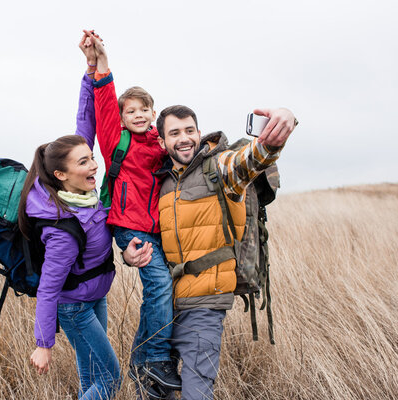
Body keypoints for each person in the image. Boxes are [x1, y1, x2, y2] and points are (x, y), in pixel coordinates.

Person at [18, 33, 153, 400]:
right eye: (85, 161)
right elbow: (48, 289)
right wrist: (44, 343)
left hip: (96, 295)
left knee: (91, 380)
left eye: (91, 157)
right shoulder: (63, 228)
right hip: (75, 307)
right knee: (110, 381)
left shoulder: (83, 189)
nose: (94, 163)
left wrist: (91, 70)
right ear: (61, 174)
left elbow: (86, 120)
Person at [154, 105, 297, 400]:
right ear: (162, 141)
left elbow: (252, 159)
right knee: (153, 388)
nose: (184, 139)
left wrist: (274, 137)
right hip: (163, 307)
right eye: (175, 133)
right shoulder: (162, 182)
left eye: (190, 131)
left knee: (197, 391)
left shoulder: (219, 168)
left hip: (205, 305)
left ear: (198, 132)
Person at [85, 31, 182, 395]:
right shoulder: (116, 142)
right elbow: (105, 105)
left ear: (153, 114)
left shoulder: (159, 147)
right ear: (123, 118)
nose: (138, 115)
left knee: (162, 290)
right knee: (159, 285)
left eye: (144, 110)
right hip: (129, 227)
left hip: (158, 230)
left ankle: (143, 363)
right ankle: (155, 357)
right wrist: (102, 65)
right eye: (131, 111)